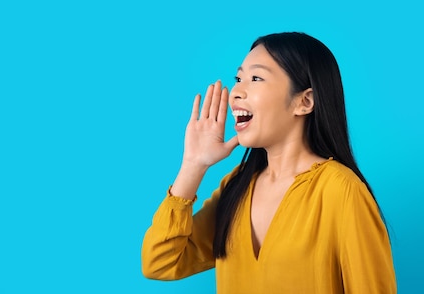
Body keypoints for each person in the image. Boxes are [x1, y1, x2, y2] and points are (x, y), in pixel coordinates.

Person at [141, 32, 396, 293]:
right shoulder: (237, 185)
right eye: (238, 78)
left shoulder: (341, 191)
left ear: (304, 101)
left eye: (256, 78)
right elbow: (160, 262)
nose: (236, 92)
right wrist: (194, 165)